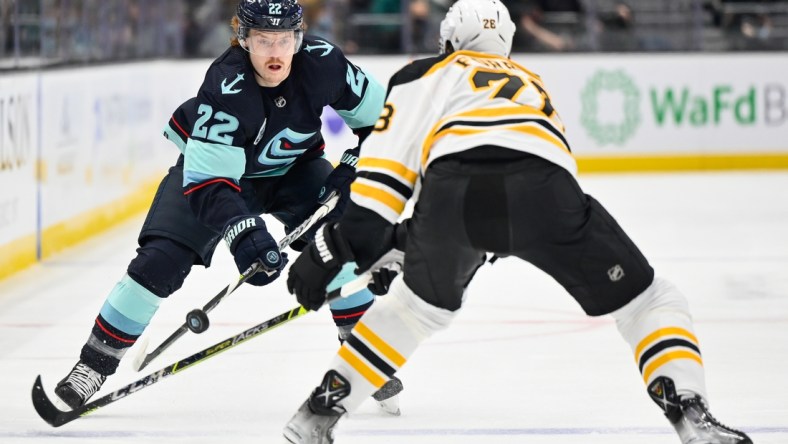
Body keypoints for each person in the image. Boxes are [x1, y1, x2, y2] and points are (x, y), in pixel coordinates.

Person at [281, 0, 753, 443]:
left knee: (414, 311)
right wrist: (405, 244)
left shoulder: (425, 73)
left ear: (448, 41)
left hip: (453, 193)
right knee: (650, 300)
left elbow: (382, 193)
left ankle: (317, 413)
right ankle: (688, 408)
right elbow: (513, 201)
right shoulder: (532, 84)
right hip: (547, 191)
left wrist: (334, 250)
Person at [52, 0, 404, 415]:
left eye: (284, 40)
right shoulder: (226, 84)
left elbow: (390, 119)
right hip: (215, 178)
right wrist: (244, 235)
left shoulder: (323, 63)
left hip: (295, 170)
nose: (275, 53)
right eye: (263, 40)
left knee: (339, 241)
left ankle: (361, 354)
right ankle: (92, 365)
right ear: (243, 39)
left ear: (298, 38)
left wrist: (349, 170)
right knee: (160, 260)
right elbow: (209, 184)